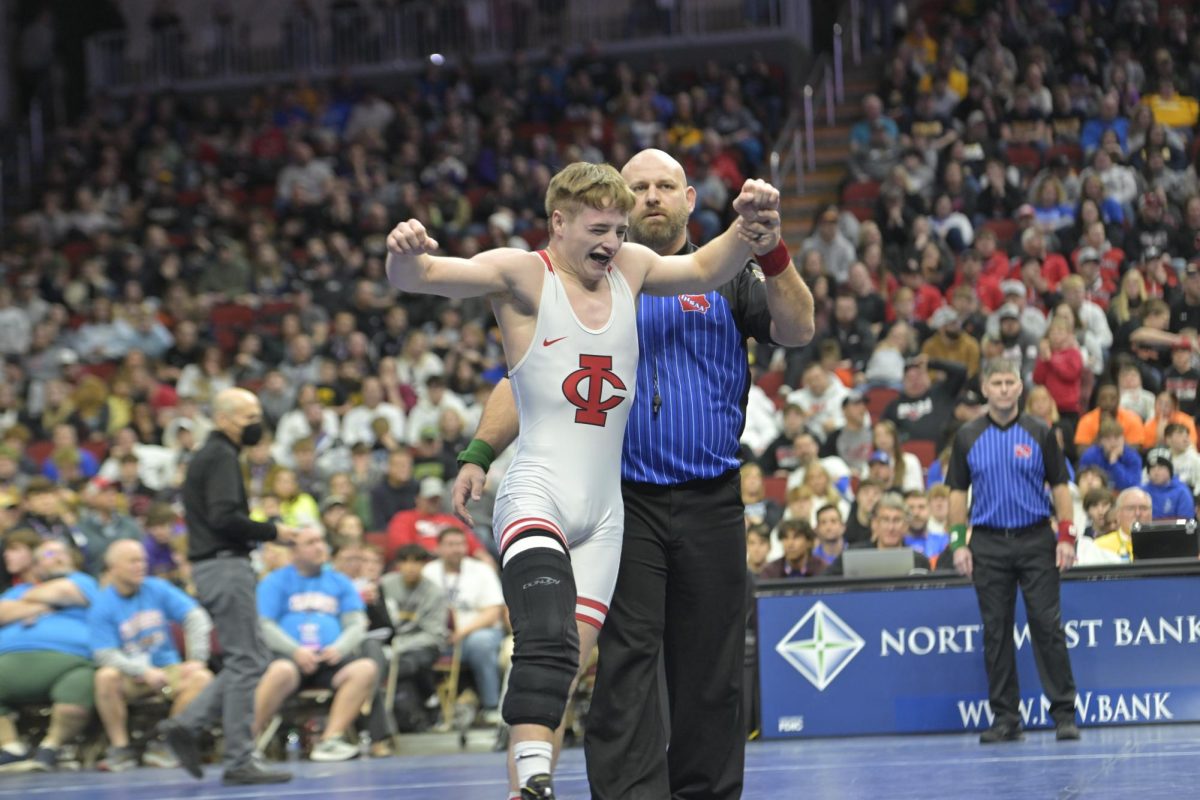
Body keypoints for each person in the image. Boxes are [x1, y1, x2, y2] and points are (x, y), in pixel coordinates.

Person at [444, 153, 810, 800]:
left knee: (711, 671)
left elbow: (798, 328)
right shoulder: (590, 276)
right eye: (637, 187)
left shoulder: (722, 270)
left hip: (710, 498)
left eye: (664, 186)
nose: (651, 197)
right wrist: (478, 451)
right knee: (626, 666)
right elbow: (524, 377)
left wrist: (773, 250)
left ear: (690, 197)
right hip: (624, 500)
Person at [158, 387, 302, 785]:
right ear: (222, 419)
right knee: (246, 660)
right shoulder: (220, 455)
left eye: (257, 414)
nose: (255, 422)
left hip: (216, 566)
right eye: (246, 416)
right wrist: (276, 531)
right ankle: (237, 758)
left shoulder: (211, 455)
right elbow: (224, 516)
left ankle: (188, 724)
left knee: (250, 657)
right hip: (224, 564)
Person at [947, 358, 1080, 744]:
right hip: (987, 542)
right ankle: (1006, 718)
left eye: (1010, 382)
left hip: (1037, 538)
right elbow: (957, 493)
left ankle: (1064, 715)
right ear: (985, 389)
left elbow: (1060, 488)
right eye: (997, 383)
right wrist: (959, 544)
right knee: (996, 632)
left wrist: (1067, 538)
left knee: (1047, 627)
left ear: (1020, 388)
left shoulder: (1041, 432)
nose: (1004, 389)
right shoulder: (967, 436)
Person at [253, 528, 379, 762]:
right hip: (289, 658)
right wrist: (295, 651)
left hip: (329, 658)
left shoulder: (339, 582)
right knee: (280, 671)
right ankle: (247, 743)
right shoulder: (275, 581)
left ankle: (330, 741)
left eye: (321, 541)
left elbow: (356, 622)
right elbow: (264, 625)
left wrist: (340, 647)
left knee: (365, 668)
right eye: (311, 542)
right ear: (294, 551)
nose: (320, 547)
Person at [89, 540, 215, 772]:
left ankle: (167, 743)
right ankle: (121, 749)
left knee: (203, 678)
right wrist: (142, 671)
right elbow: (104, 654)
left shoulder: (157, 588)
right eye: (133, 561)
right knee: (105, 676)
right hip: (130, 673)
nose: (141, 566)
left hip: (167, 669)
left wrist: (197, 659)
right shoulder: (102, 604)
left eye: (143, 560)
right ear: (113, 567)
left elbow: (196, 617)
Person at [0, 540, 98, 772]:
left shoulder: (83, 581)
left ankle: (51, 746)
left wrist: (21, 606)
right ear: (36, 566)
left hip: (70, 661)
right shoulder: (17, 590)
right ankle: (11, 747)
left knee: (80, 684)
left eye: (62, 553)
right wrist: (42, 606)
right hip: (8, 660)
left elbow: (64, 591)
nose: (57, 558)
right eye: (49, 555)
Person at [378, 544, 448, 732]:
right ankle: (424, 707)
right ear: (398, 564)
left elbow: (434, 634)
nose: (410, 567)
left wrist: (399, 646)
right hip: (391, 643)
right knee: (397, 666)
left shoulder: (434, 592)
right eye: (405, 561)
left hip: (425, 644)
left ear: (424, 565)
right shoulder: (385, 585)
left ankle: (421, 705)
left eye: (416, 562)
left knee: (408, 664)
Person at [1141, 448, 1195, 520]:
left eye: (1160, 468)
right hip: (1146, 531)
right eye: (1152, 468)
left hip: (1175, 531)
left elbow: (1186, 521)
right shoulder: (1141, 492)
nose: (1156, 472)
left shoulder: (1181, 492)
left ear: (1170, 471)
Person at [759, 519, 824, 578]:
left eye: (796, 537)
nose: (790, 544)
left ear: (809, 542)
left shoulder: (822, 571)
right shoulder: (770, 572)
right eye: (785, 538)